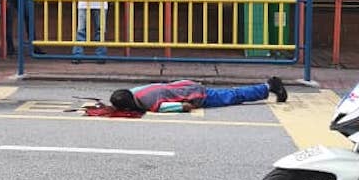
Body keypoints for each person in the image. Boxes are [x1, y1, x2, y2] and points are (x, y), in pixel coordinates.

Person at [109, 76, 288, 114]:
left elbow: (185, 107)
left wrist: (187, 105)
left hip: (196, 95)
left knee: (233, 96)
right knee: (232, 93)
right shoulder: (135, 91)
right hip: (184, 84)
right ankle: (267, 87)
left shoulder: (151, 104)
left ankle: (269, 87)